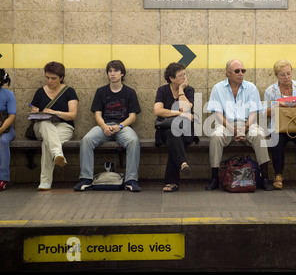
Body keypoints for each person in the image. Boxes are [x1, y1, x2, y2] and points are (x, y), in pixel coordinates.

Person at [74, 60, 141, 192]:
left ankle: (131, 180)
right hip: (104, 126)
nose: (112, 74)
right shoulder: (101, 92)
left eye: (115, 71)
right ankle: (86, 179)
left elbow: (132, 116)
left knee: (133, 141)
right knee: (86, 140)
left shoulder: (130, 92)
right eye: (110, 71)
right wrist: (104, 126)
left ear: (122, 73)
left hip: (123, 127)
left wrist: (120, 126)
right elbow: (97, 114)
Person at [206, 59, 272, 191]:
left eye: (243, 71)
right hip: (226, 125)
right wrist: (232, 130)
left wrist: (244, 128)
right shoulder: (218, 88)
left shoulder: (251, 88)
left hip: (247, 124)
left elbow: (253, 113)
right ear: (228, 73)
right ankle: (214, 178)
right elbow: (218, 114)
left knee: (259, 135)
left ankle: (265, 178)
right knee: (215, 137)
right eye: (237, 71)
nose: (241, 73)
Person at [264, 59, 296, 190]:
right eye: (282, 75)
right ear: (277, 76)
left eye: (288, 73)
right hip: (279, 127)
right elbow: (265, 113)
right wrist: (276, 106)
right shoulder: (271, 90)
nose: (286, 77)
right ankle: (278, 175)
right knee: (277, 140)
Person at [30, 62, 79, 190]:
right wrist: (34, 112)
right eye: (47, 77)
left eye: (53, 78)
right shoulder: (40, 92)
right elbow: (33, 112)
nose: (49, 81)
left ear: (61, 78)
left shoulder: (69, 91)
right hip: (41, 126)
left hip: (64, 126)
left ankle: (45, 183)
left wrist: (55, 112)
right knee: (45, 124)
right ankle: (57, 153)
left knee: (47, 143)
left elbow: (72, 115)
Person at [154, 62, 198, 192]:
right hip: (165, 129)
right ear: (172, 78)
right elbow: (157, 111)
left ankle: (173, 180)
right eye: (181, 75)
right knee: (173, 135)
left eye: (185, 74)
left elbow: (186, 107)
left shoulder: (189, 90)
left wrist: (180, 91)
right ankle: (182, 164)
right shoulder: (163, 90)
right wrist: (179, 113)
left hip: (186, 131)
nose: (184, 78)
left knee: (174, 139)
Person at [0, 69, 16, 190]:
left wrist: (1, 130)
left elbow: (12, 116)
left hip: (5, 128)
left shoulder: (8, 94)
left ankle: (3, 177)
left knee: (3, 141)